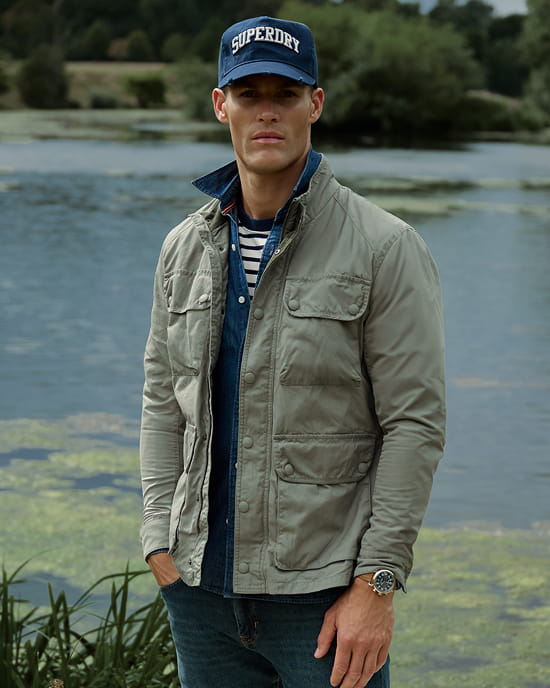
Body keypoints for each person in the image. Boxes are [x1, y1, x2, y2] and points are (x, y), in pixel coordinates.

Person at [140, 15, 445, 688]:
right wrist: (158, 539)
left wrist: (377, 582)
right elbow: (163, 403)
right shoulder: (182, 248)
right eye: (249, 94)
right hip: (199, 595)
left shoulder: (385, 247)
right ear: (221, 105)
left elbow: (414, 425)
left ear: (316, 103)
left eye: (287, 92)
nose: (268, 111)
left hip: (324, 604)